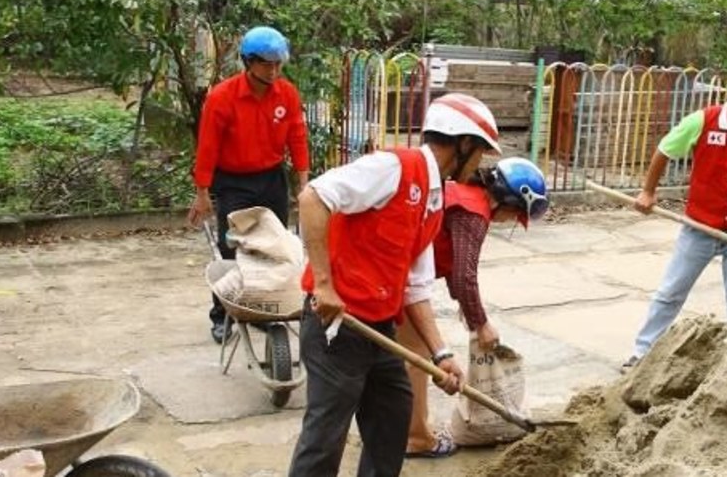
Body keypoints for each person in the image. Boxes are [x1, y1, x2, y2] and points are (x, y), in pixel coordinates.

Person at [286, 93, 502, 477]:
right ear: (464, 143)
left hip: (380, 331)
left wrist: (441, 354)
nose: (480, 163)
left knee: (392, 423)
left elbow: (415, 288)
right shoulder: (392, 167)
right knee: (324, 441)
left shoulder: (435, 201)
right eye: (481, 151)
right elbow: (312, 197)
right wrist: (323, 284)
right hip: (337, 329)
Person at [621, 63, 727, 371]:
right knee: (671, 293)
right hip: (699, 226)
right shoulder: (704, 121)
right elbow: (664, 150)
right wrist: (648, 191)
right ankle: (641, 355)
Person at [400, 157, 550, 458]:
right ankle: (416, 437)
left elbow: (454, 264)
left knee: (398, 355)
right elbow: (464, 275)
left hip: (399, 269)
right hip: (400, 276)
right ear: (509, 203)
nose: (508, 222)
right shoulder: (473, 214)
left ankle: (395, 429)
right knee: (415, 357)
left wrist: (467, 308)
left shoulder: (463, 195)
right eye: (514, 217)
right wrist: (481, 323)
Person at [188, 25, 310, 344]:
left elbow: (297, 137)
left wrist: (302, 182)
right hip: (233, 182)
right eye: (267, 64)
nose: (274, 71)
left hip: (271, 178)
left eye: (278, 65)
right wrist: (202, 192)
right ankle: (222, 315)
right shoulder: (222, 98)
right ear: (248, 62)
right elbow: (208, 147)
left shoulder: (287, 94)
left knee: (275, 246)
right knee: (232, 248)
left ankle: (262, 309)